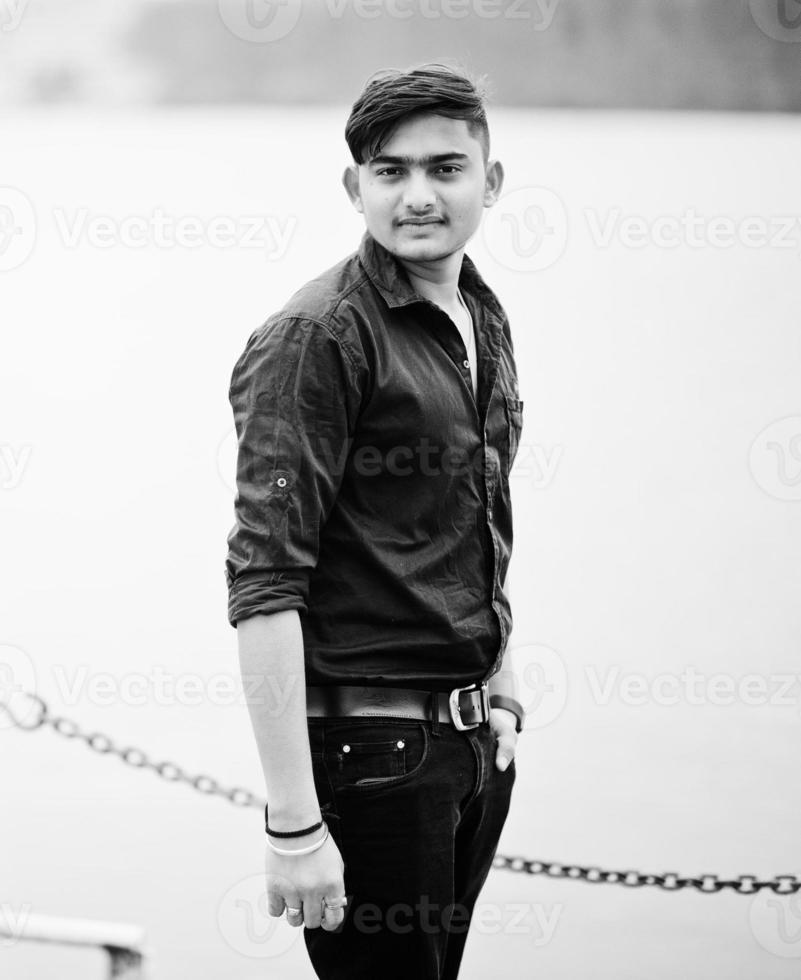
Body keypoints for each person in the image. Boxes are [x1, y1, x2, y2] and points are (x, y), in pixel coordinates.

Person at [224, 63, 528, 979]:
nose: (418, 194)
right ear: (354, 187)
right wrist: (292, 821)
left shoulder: (474, 311)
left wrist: (500, 678)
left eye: (445, 167)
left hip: (468, 749)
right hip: (372, 761)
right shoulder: (316, 337)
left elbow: (460, 513)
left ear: (490, 180)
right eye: (389, 172)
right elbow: (264, 583)